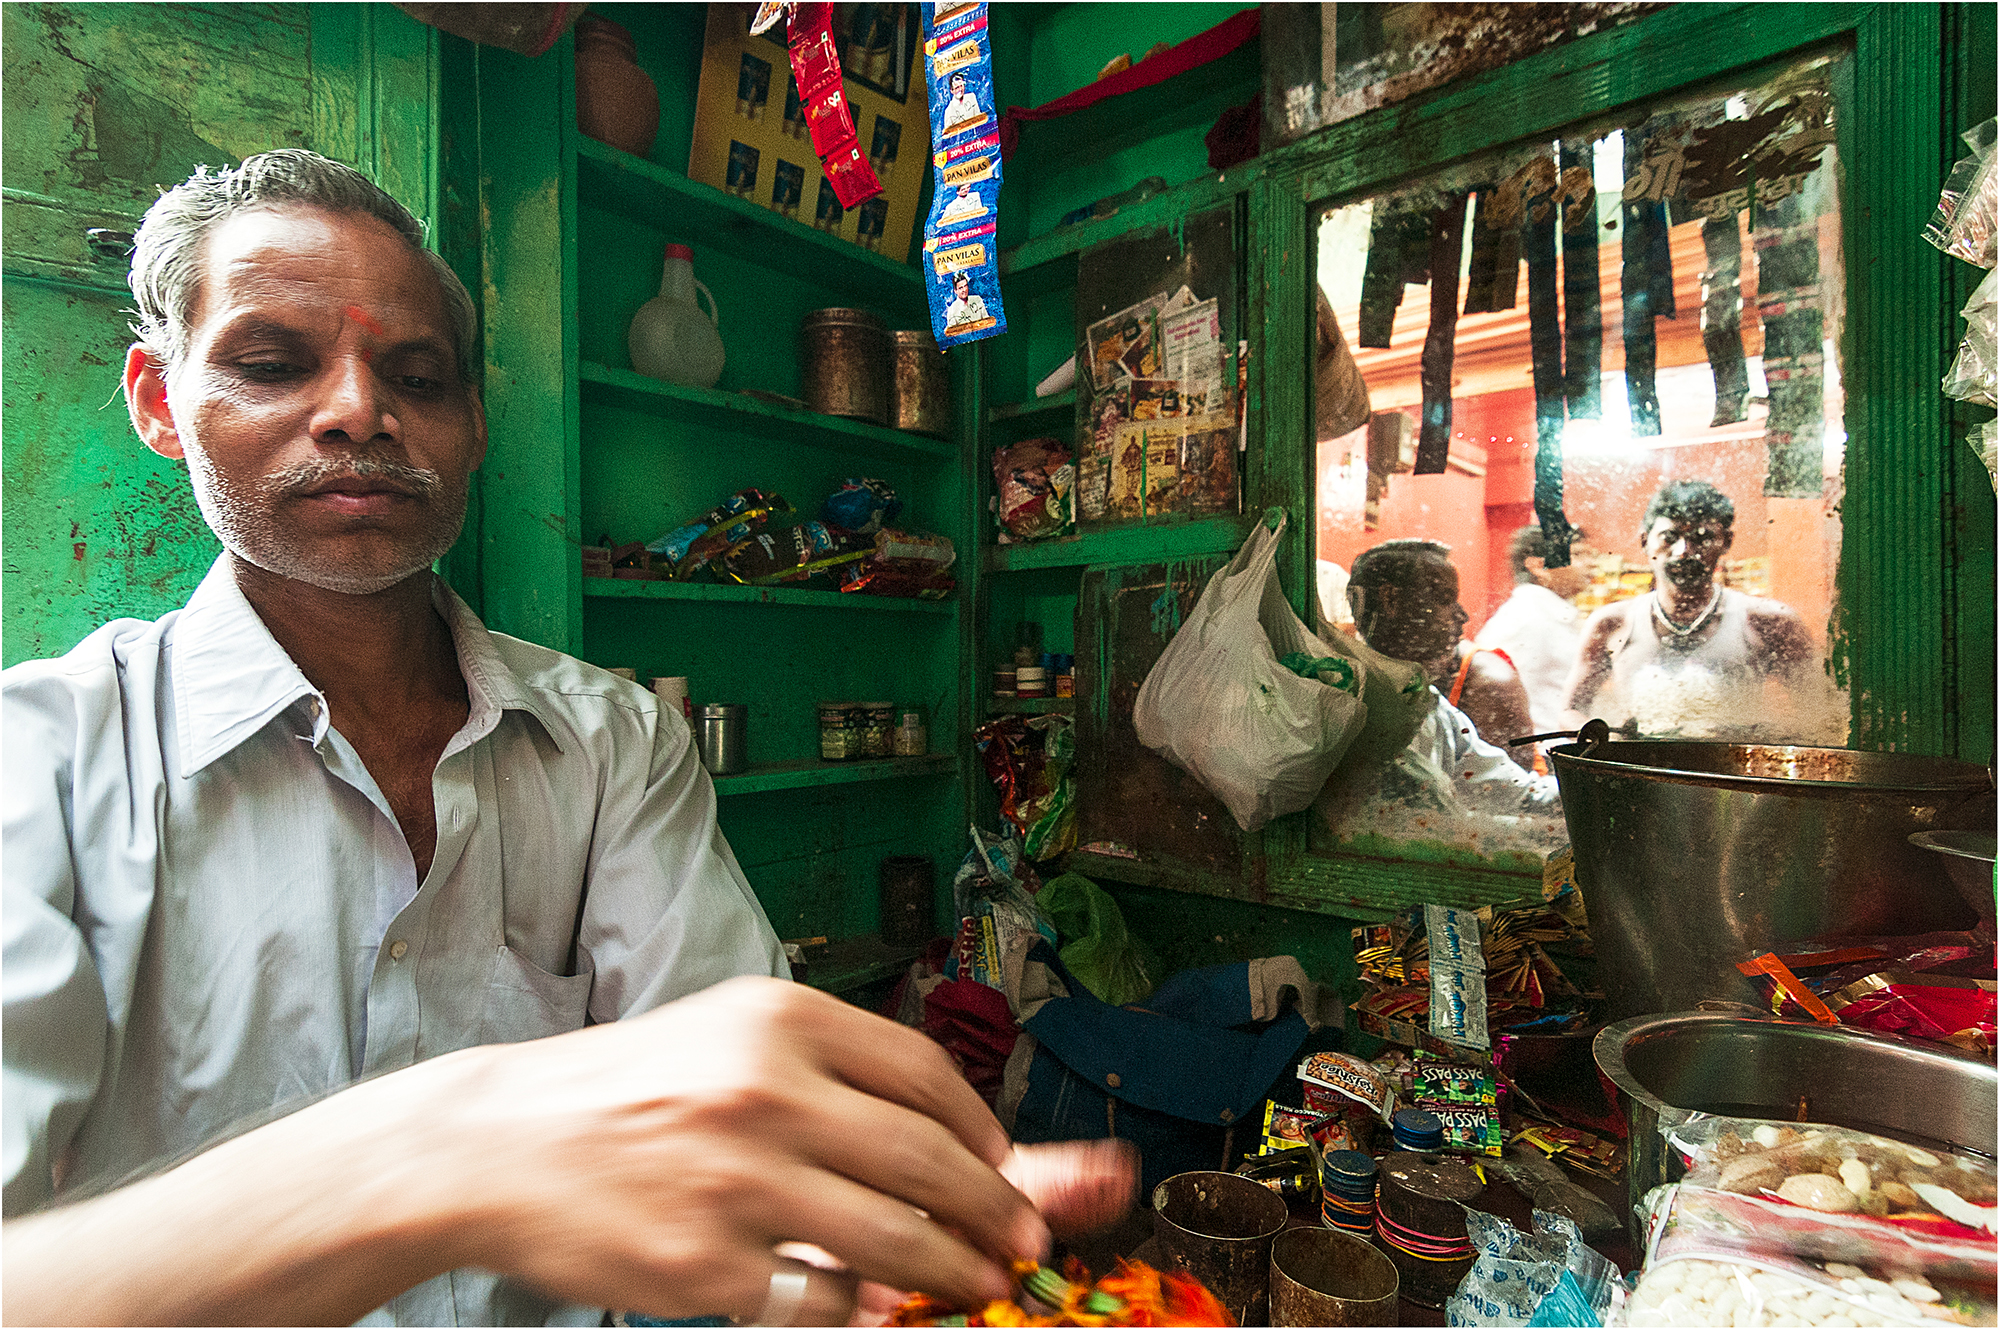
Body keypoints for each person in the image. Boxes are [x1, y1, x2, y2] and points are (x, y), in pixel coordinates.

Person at [1, 149, 1130, 1327]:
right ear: (155, 401)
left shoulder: (611, 742)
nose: (357, 411)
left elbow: (733, 1126)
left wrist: (850, 1249)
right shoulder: (43, 764)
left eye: (418, 375)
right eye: (272, 364)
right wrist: (444, 1161)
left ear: (474, 426)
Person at [1562, 480, 1824, 740]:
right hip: (1639, 778)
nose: (1684, 551)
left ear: (1726, 542)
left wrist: (1751, 733)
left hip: (1730, 779)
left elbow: (1819, 717)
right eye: (1670, 538)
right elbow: (1570, 711)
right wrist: (1607, 736)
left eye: (1702, 538)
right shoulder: (1612, 624)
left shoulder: (1769, 621)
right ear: (1645, 541)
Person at [1346, 539, 1557, 814]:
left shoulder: (1429, 704)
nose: (1462, 616)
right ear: (1391, 601)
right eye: (1445, 599)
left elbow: (1515, 792)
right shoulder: (1353, 703)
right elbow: (1429, 822)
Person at [1475, 523, 1597, 735]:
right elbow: (1502, 702)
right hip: (1539, 756)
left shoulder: (1550, 614)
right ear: (1538, 567)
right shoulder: (1526, 618)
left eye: (1590, 554)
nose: (1591, 564)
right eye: (1577, 554)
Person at [940, 69, 984, 134]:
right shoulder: (948, 111)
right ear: (951, 90)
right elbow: (949, 135)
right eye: (957, 87)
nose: (960, 89)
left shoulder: (972, 97)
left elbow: (979, 119)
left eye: (961, 86)